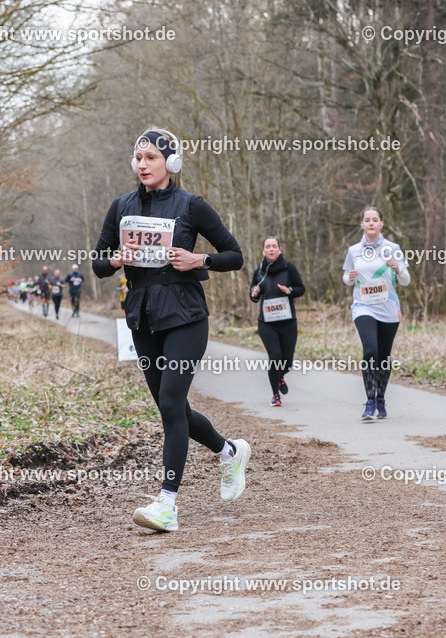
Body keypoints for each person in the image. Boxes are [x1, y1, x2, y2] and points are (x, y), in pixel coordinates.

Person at [92, 126, 250, 533]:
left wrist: (200, 261)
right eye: (139, 158)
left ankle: (167, 504)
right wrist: (114, 260)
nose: (143, 165)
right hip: (141, 316)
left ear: (171, 163)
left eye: (152, 158)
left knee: (171, 398)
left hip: (186, 315)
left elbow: (234, 255)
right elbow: (96, 262)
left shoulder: (192, 206)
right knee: (170, 407)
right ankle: (229, 452)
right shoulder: (121, 206)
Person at [342, 206, 410, 420]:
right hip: (363, 306)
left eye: (375, 219)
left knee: (383, 357)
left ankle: (381, 397)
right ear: (362, 224)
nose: (371, 223)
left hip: (389, 308)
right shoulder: (353, 250)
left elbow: (406, 280)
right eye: (367, 220)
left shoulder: (393, 248)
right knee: (370, 350)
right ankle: (370, 401)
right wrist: (350, 278)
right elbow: (346, 278)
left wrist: (398, 269)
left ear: (381, 224)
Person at [249, 236, 305, 407]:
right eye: (268, 246)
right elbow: (253, 296)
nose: (271, 249)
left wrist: (289, 290)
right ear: (263, 250)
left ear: (279, 249)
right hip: (267, 322)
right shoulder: (259, 271)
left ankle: (280, 376)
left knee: (287, 362)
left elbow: (301, 289)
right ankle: (275, 395)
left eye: (274, 246)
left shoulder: (289, 268)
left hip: (288, 321)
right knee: (275, 357)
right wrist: (255, 293)